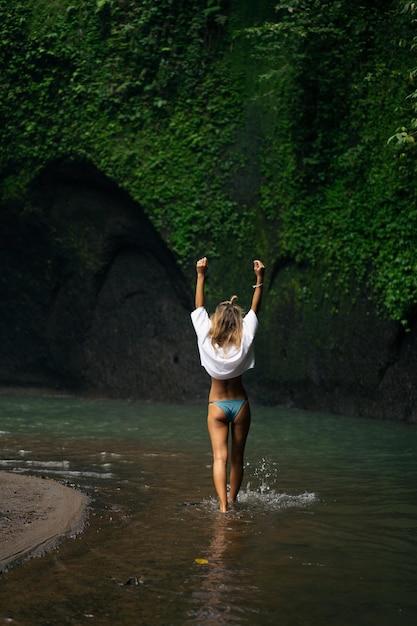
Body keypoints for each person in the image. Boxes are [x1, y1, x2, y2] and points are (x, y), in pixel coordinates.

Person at [191, 257, 265, 512]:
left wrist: (201, 275)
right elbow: (256, 310)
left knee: (220, 458)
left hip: (217, 405)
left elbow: (199, 307)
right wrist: (259, 280)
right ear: (237, 322)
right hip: (241, 404)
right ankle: (233, 500)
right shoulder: (245, 339)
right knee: (237, 459)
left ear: (216, 321)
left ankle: (223, 508)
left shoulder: (205, 338)